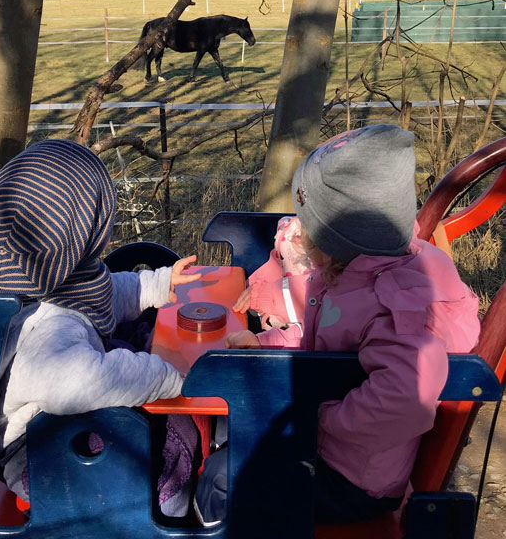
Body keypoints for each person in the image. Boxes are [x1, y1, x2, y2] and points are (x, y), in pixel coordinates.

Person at [195, 124, 481, 526]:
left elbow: (403, 403)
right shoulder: (356, 275)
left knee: (224, 478)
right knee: (234, 433)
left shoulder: (400, 304)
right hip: (338, 452)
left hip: (353, 480)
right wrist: (265, 347)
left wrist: (317, 416)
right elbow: (321, 342)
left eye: (308, 227)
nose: (301, 235)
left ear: (340, 236)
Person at [0, 139, 200, 502]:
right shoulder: (50, 322)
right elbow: (77, 380)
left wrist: (157, 284)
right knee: (176, 440)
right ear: (87, 233)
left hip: (51, 418)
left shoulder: (21, 274)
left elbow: (103, 294)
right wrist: (169, 375)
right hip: (35, 455)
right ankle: (170, 515)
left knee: (129, 347)